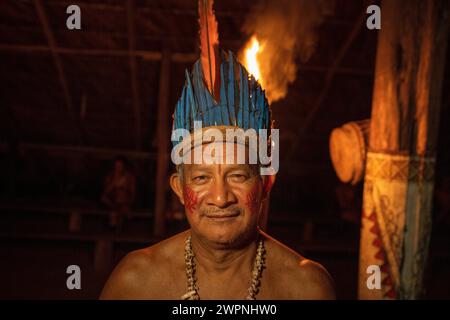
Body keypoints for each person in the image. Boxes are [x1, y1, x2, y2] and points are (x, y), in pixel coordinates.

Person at [100, 1, 334, 300]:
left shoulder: (307, 288)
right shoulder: (136, 282)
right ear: (179, 186)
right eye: (201, 178)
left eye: (237, 175)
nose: (221, 198)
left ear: (266, 183)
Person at [101, 156, 136, 230]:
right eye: (117, 165)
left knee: (123, 210)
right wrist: (114, 183)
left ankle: (123, 226)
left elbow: (132, 193)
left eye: (120, 165)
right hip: (112, 202)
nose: (118, 167)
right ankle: (113, 227)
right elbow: (105, 192)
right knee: (113, 212)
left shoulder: (129, 177)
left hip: (125, 201)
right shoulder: (110, 176)